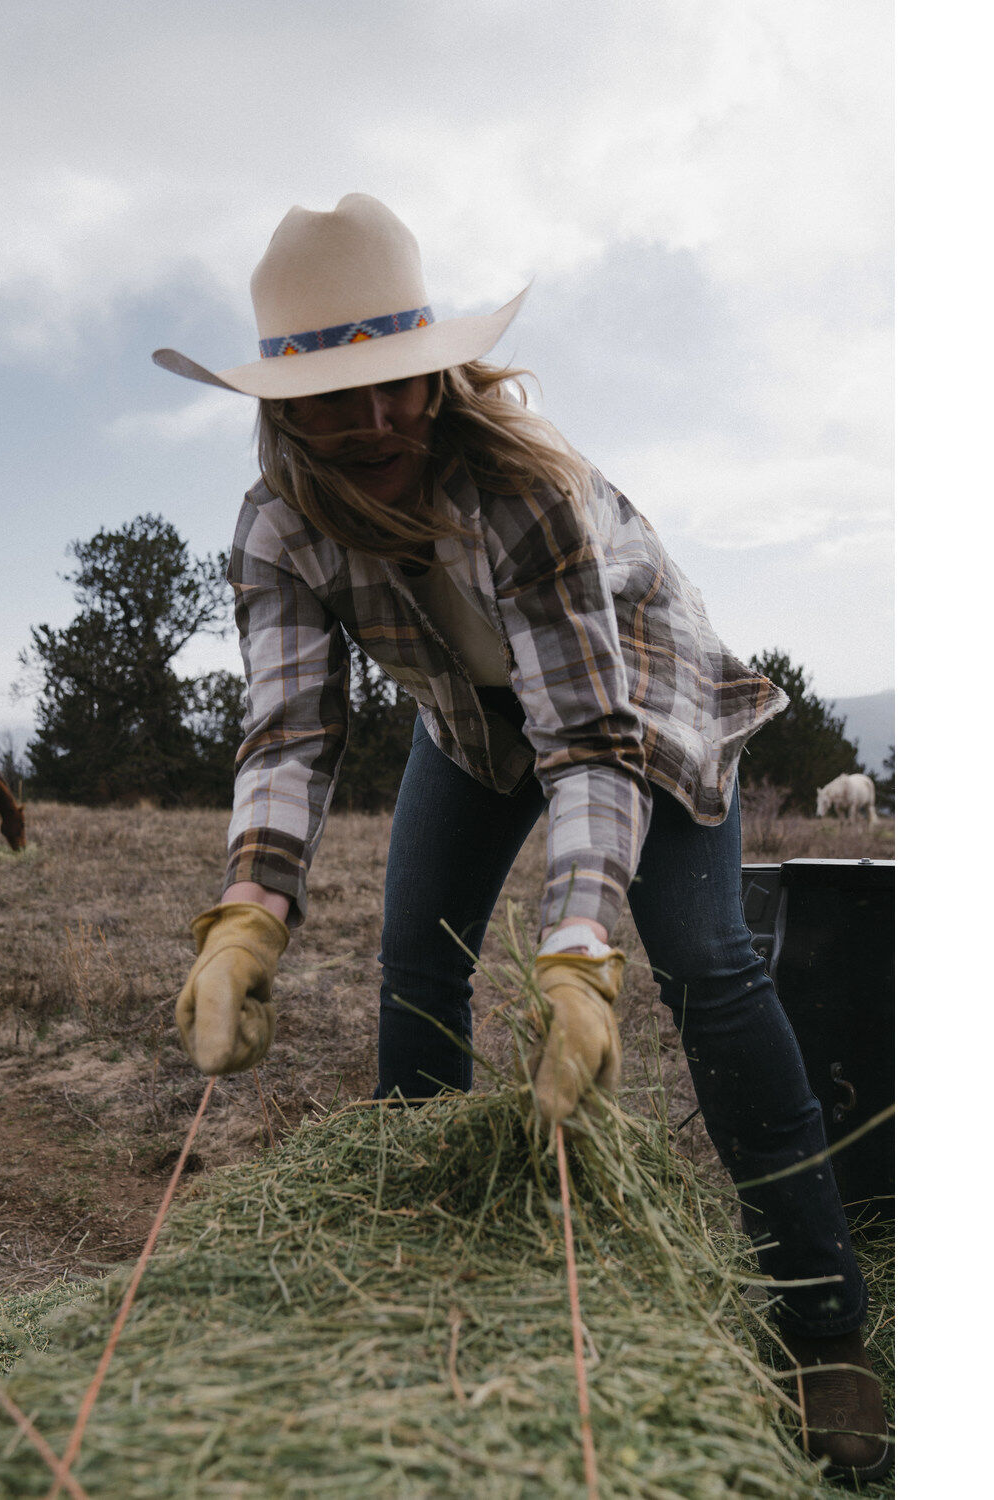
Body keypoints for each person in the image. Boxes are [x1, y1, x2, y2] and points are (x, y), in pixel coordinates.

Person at [154, 193, 891, 1482]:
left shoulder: (522, 491)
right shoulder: (276, 528)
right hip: (471, 724)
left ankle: (826, 1328)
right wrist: (247, 914)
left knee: (706, 965)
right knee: (418, 963)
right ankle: (418, 1278)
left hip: (637, 701)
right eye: (339, 391)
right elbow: (288, 737)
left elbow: (589, 742)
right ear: (282, 403)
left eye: (398, 382)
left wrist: (577, 947)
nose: (377, 418)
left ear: (434, 370)